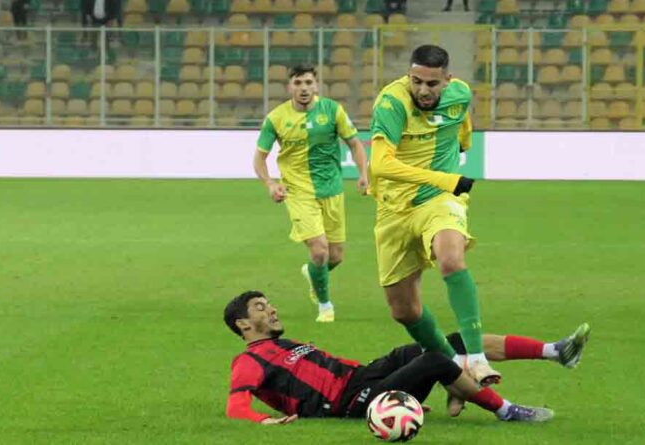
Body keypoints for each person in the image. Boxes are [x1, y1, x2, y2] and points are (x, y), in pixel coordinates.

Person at [224, 290, 590, 424]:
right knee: (434, 362)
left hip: (363, 380)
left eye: (268, 303)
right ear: (243, 324)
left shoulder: (286, 345)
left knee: (446, 342)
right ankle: (506, 411)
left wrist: (399, 392)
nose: (271, 309)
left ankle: (554, 351)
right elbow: (236, 406)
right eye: (260, 307)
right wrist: (261, 422)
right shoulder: (248, 361)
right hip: (351, 404)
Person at [367, 44, 497, 385]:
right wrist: (447, 177)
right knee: (403, 310)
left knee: (451, 259)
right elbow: (380, 163)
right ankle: (454, 367)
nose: (423, 90)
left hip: (439, 201)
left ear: (447, 80)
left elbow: (462, 131)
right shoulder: (392, 102)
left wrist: (449, 177)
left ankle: (478, 359)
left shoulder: (460, 95)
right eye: (417, 81)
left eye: (432, 83)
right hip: (394, 210)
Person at [253, 63, 369, 323]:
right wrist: (271, 183)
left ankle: (313, 273)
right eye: (298, 83)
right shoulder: (276, 118)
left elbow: (354, 144)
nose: (303, 88)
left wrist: (364, 174)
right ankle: (325, 305)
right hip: (298, 191)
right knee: (319, 251)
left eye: (308, 83)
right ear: (289, 87)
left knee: (335, 256)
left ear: (316, 85)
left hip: (332, 189)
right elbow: (259, 159)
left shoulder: (332, 110)